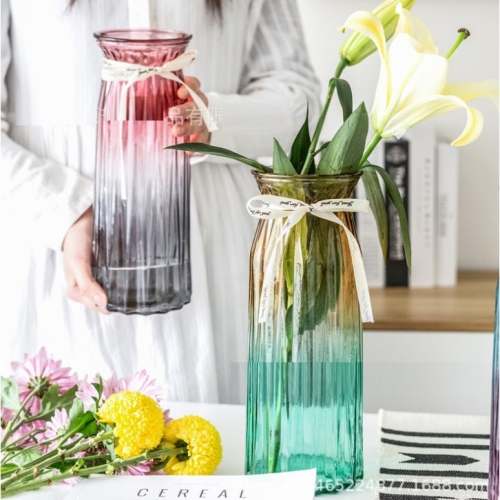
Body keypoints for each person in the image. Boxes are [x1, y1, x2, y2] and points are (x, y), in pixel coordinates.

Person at [1, 0, 320, 404]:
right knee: (66, 431)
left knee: (218, 434)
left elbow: (298, 98)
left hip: (213, 257)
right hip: (54, 251)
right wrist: (66, 212)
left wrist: (213, 117)